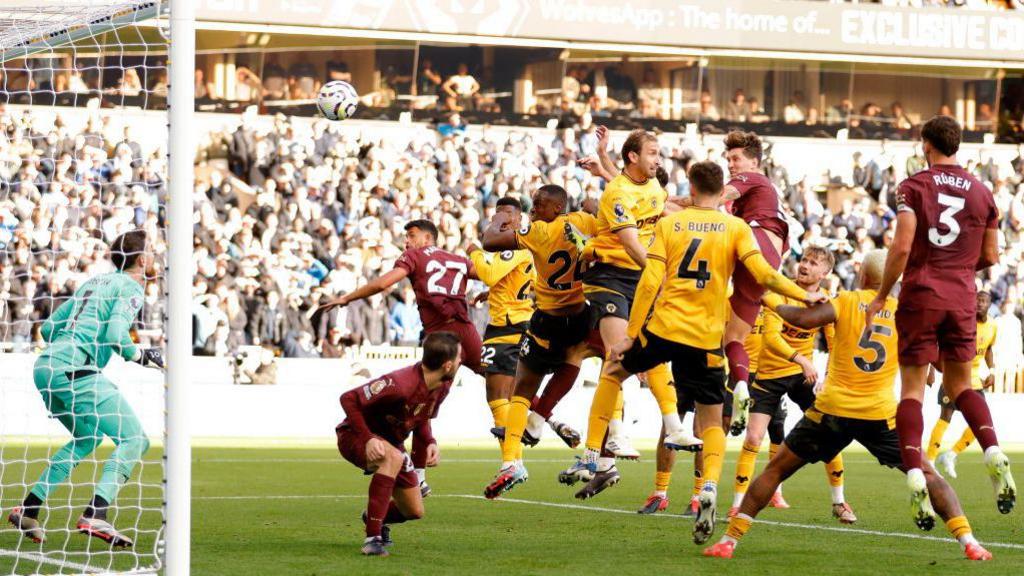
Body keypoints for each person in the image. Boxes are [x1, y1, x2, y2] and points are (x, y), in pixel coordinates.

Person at [705, 250, 994, 562]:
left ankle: (729, 541)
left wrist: (766, 298)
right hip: (880, 414)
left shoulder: (846, 299)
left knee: (776, 470)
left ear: (862, 277)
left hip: (833, 409)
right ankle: (969, 542)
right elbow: (938, 359)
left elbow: (801, 318)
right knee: (927, 472)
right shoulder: (906, 312)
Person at [606, 160, 824, 543]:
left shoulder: (669, 223)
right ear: (723, 188)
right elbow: (765, 277)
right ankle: (707, 487)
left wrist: (632, 333)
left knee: (616, 375)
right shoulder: (736, 228)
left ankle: (598, 453)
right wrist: (804, 294)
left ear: (690, 184)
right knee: (710, 421)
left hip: (664, 329)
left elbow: (649, 281)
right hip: (708, 339)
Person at [866, 115, 1015, 522]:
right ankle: (993, 451)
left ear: (925, 144)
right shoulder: (984, 193)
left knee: (912, 390)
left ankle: (915, 473)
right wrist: (960, 266)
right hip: (963, 295)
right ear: (958, 145)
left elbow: (900, 246)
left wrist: (883, 294)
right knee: (961, 384)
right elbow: (990, 256)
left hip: (922, 292)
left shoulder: (913, 186)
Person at [8, 230, 164, 548]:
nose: (156, 257)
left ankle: (28, 508)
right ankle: (96, 513)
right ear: (141, 258)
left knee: (88, 438)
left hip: (47, 367)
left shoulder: (94, 283)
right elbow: (118, 335)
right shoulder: (132, 288)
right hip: (75, 369)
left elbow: (50, 327)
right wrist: (141, 355)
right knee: (134, 439)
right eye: (152, 251)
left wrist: (71, 345)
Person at [318, 219, 482, 496]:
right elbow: (491, 274)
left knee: (425, 395)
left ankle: (417, 475)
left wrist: (348, 298)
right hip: (466, 330)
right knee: (500, 375)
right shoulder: (459, 259)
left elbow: (384, 283)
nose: (407, 241)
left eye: (412, 235)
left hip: (440, 335)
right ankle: (536, 422)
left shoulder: (413, 256)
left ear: (428, 238)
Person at [570, 128, 685, 494]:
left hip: (641, 281)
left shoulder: (650, 187)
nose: (658, 159)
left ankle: (671, 427)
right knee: (618, 358)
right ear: (634, 156)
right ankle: (601, 446)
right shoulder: (616, 193)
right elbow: (633, 242)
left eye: (659, 153)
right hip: (610, 278)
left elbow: (667, 206)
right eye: (653, 153)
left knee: (653, 356)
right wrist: (662, 278)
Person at [479, 185, 603, 498]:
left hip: (548, 319)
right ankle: (545, 420)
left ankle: (512, 461)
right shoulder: (585, 221)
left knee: (521, 387)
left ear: (556, 207)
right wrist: (593, 203)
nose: (533, 209)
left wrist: (500, 219)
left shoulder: (539, 231)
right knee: (577, 355)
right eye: (533, 204)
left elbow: (490, 241)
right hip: (580, 313)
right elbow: (605, 218)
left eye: (540, 204)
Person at [730, 246, 856, 524]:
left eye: (813, 263)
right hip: (772, 373)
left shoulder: (826, 303)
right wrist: (802, 360)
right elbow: (772, 338)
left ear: (825, 273)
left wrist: (830, 378)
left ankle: (839, 502)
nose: (805, 265)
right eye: (804, 260)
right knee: (753, 437)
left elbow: (836, 344)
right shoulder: (780, 293)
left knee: (830, 433)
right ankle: (737, 504)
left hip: (804, 378)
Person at [335, 331, 461, 556]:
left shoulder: (443, 385)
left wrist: (430, 440)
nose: (463, 360)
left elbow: (422, 416)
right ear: (449, 365)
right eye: (460, 357)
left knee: (414, 510)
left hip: (391, 442)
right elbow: (348, 398)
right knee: (392, 457)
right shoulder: (400, 383)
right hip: (354, 435)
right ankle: (372, 539)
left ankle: (374, 515)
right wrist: (368, 438)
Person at [716, 131, 790, 436]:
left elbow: (714, 198)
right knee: (732, 340)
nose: (731, 164)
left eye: (736, 158)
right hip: (763, 262)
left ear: (755, 161)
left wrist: (662, 201)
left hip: (756, 242)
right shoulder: (754, 190)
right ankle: (742, 387)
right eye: (728, 159)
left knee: (694, 234)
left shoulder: (754, 178)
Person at [467, 197, 536, 462]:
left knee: (498, 396)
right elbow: (525, 280)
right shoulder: (524, 246)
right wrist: (492, 292)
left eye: (507, 213)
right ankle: (514, 458)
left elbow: (490, 272)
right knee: (508, 395)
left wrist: (473, 250)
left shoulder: (516, 244)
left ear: (520, 219)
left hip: (507, 325)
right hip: (517, 322)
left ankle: (512, 461)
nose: (501, 219)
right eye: (497, 214)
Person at [928, 288, 998, 478]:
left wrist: (991, 371)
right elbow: (939, 344)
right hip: (954, 375)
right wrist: (931, 370)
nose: (979, 304)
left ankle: (951, 454)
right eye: (977, 300)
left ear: (989, 305)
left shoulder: (992, 326)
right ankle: (930, 460)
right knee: (945, 417)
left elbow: (989, 349)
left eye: (983, 301)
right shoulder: (962, 322)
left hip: (974, 380)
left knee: (980, 424)